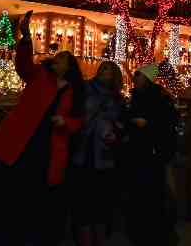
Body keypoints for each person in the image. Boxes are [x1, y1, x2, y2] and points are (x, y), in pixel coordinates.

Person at [0, 10, 85, 246]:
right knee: (17, 184)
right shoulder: (40, 75)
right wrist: (27, 37)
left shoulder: (74, 90)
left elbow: (79, 119)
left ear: (69, 66)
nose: (56, 59)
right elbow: (23, 66)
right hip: (27, 138)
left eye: (61, 58)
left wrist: (65, 123)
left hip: (50, 144)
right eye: (57, 57)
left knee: (42, 190)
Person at [119, 64, 180, 246]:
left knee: (150, 196)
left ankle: (151, 233)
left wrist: (147, 125)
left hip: (151, 156)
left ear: (147, 79)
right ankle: (141, 232)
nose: (135, 79)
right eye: (135, 76)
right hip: (137, 154)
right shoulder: (137, 97)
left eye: (138, 76)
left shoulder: (159, 99)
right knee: (139, 196)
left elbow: (167, 126)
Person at [70, 61, 125, 246]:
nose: (104, 72)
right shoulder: (85, 89)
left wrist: (116, 132)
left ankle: (99, 237)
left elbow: (120, 122)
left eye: (108, 70)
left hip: (104, 151)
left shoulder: (117, 98)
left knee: (101, 199)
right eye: (102, 69)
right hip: (84, 148)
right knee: (83, 199)